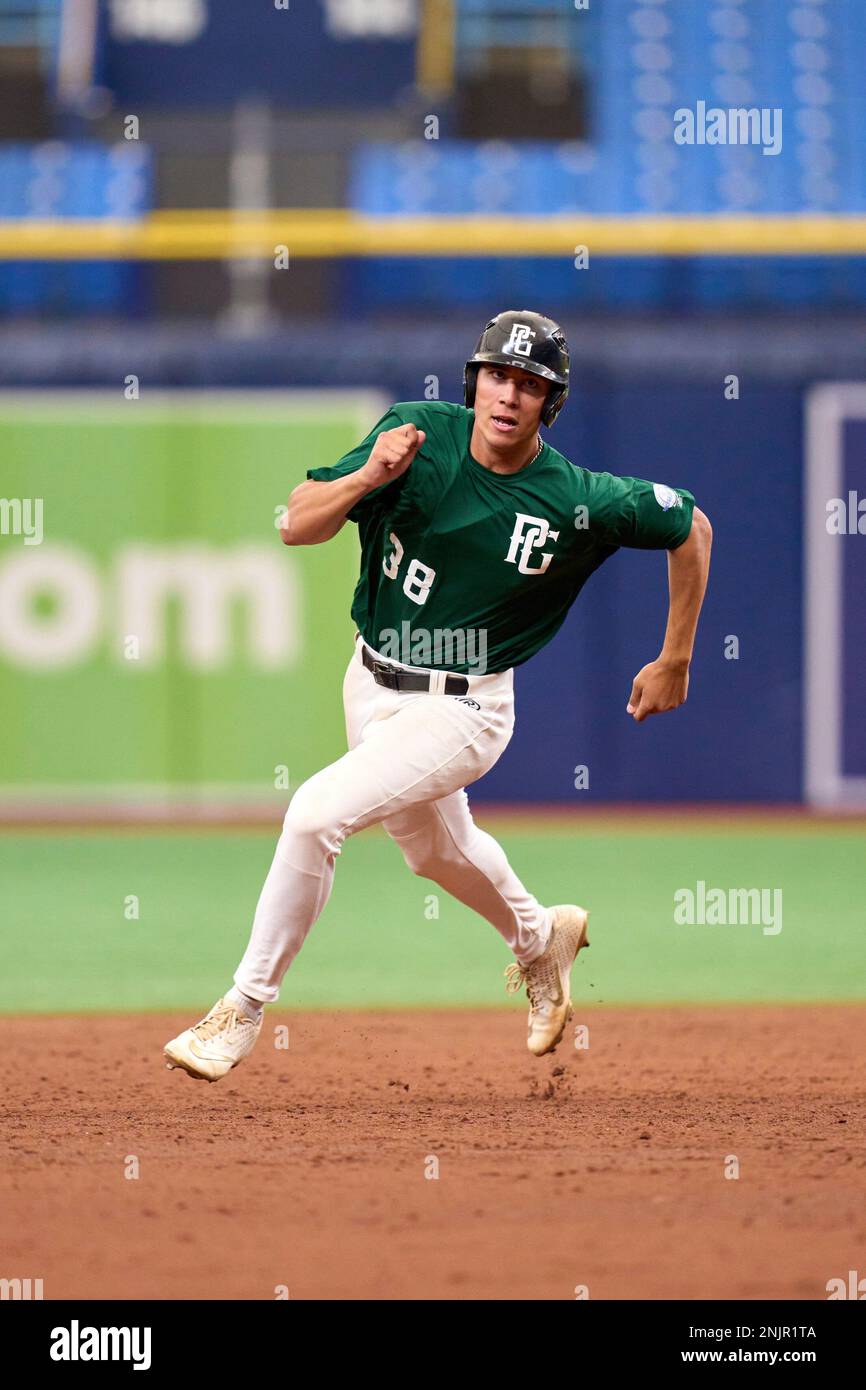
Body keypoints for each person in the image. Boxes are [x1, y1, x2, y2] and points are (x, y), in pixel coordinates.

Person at [164, 309, 712, 1083]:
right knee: (432, 852)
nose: (509, 395)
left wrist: (676, 657)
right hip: (372, 678)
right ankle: (539, 940)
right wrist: (366, 478)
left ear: (551, 405)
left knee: (315, 814)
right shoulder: (416, 434)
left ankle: (241, 1009)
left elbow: (690, 525)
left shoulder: (576, 497)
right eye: (498, 375)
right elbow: (295, 525)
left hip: (466, 705)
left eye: (531, 385)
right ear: (474, 380)